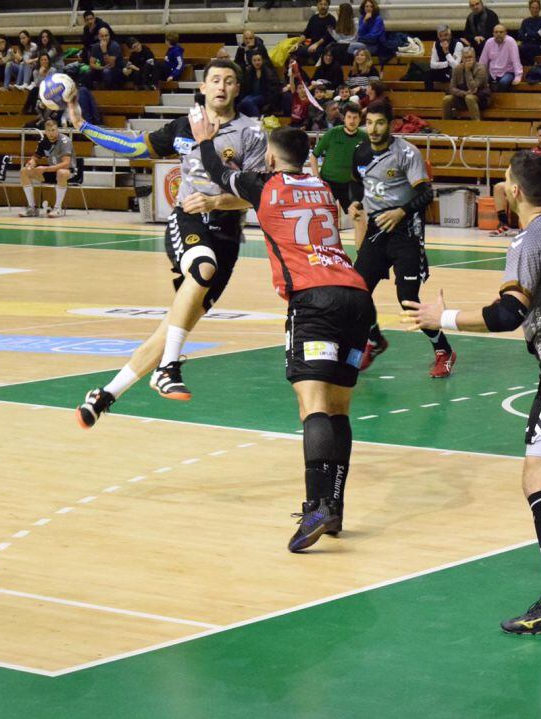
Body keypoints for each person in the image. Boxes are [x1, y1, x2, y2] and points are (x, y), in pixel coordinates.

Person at [402, 154, 541, 635]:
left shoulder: (529, 238)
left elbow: (508, 314)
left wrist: (441, 318)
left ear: (515, 192)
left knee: (538, 477)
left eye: (505, 184)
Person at [188, 114, 373, 549]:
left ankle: (316, 508)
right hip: (355, 295)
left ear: (271, 156)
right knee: (339, 408)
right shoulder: (324, 189)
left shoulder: (265, 185)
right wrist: (218, 204)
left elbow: (219, 173)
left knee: (313, 406)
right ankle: (334, 507)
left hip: (314, 300)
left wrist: (207, 141)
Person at [71, 59, 267, 428]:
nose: (221, 86)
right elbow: (133, 146)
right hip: (188, 221)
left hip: (226, 233)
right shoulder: (183, 127)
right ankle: (168, 368)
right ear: (204, 88)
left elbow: (255, 194)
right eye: (214, 80)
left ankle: (105, 394)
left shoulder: (251, 133)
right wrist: (82, 125)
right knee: (202, 268)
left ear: (237, 89)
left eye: (229, 80)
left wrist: (217, 201)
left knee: (172, 327)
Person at [347, 101, 456, 378]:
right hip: (376, 229)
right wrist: (354, 202)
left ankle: (444, 350)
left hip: (406, 231)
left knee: (407, 298)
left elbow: (426, 194)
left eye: (379, 123)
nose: (373, 129)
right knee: (356, 292)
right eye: (368, 122)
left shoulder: (406, 153)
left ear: (391, 125)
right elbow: (355, 183)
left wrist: (400, 212)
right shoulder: (359, 152)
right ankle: (374, 339)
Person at [490, 123, 541, 236]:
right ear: (537, 136)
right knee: (499, 187)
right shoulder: (531, 152)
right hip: (529, 184)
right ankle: (504, 223)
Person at [311, 102, 367, 209]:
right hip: (328, 182)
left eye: (355, 118)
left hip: (350, 183)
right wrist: (317, 178)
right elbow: (314, 156)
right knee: (324, 212)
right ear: (343, 118)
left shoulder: (364, 137)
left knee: (355, 215)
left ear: (360, 119)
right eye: (349, 117)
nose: (352, 121)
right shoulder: (332, 133)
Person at [18, 119, 74, 219]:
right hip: (51, 171)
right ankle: (32, 208)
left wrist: (45, 169)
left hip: (69, 172)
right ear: (45, 131)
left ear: (57, 130)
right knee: (24, 171)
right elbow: (35, 158)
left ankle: (57, 208)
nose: (51, 133)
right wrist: (31, 163)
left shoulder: (65, 141)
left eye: (53, 130)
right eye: (48, 130)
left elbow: (66, 164)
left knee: (61, 172)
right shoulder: (44, 141)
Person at [442, 46, 490, 120]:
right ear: (462, 58)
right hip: (462, 96)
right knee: (447, 99)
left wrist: (468, 71)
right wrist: (463, 93)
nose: (468, 60)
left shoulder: (481, 69)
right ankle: (445, 123)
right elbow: (452, 88)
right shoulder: (457, 69)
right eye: (465, 57)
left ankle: (477, 125)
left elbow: (473, 88)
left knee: (469, 98)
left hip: (480, 98)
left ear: (474, 57)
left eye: (470, 57)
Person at [479, 24, 522, 93]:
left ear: (505, 33)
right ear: (493, 33)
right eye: (496, 32)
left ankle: (500, 101)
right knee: (480, 81)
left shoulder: (511, 42)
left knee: (503, 83)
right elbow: (483, 61)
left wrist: (518, 76)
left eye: (501, 32)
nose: (498, 34)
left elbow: (516, 60)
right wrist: (479, 74)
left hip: (508, 72)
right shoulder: (489, 42)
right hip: (492, 72)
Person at [238, 51, 282, 117]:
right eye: (254, 60)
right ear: (251, 62)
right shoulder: (249, 72)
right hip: (252, 95)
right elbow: (245, 87)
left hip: (264, 96)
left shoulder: (268, 72)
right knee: (241, 103)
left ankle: (257, 121)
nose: (257, 62)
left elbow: (273, 88)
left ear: (262, 61)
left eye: (259, 60)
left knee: (249, 102)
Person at [426, 24, 464, 90]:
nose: (443, 38)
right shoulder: (436, 44)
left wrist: (446, 52)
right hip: (442, 72)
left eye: (446, 35)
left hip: (455, 74)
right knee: (428, 74)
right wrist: (447, 63)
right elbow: (432, 64)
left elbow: (456, 66)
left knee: (453, 72)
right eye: (441, 36)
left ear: (450, 34)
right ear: (438, 36)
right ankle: (430, 96)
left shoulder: (458, 44)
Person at [518, 0, 541, 66]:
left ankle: (531, 67)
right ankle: (532, 66)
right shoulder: (525, 21)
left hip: (539, 46)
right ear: (529, 8)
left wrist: (527, 34)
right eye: (532, 8)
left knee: (523, 51)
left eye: (536, 8)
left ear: (539, 9)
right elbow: (520, 36)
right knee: (518, 50)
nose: (534, 10)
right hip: (525, 46)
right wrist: (534, 35)